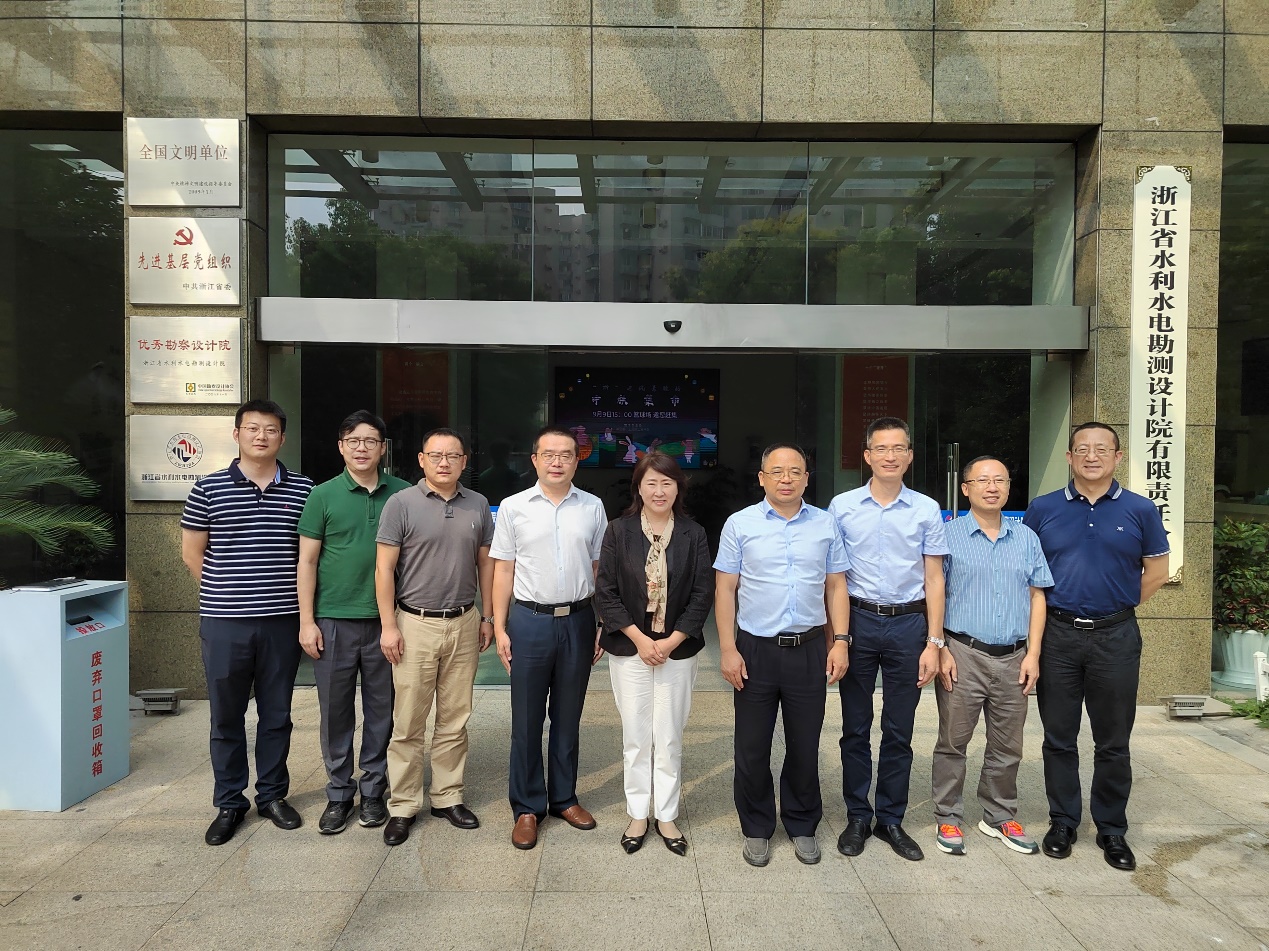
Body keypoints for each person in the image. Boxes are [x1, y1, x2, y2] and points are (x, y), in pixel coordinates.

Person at [1023, 422, 1170, 871]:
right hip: (1058, 636)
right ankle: (1063, 822)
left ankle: (1111, 829)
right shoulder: (1043, 508)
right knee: (1058, 737)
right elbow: (1026, 572)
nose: (1092, 456)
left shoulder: (1141, 509)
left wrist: (1117, 604)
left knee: (1113, 740)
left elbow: (1157, 572)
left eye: (1102, 449)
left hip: (1115, 637)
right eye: (1082, 449)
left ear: (1117, 457)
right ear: (1069, 457)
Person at [180, 399, 314, 846]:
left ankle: (272, 795)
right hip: (226, 622)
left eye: (271, 429)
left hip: (282, 620)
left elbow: (309, 555)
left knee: (277, 714)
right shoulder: (208, 489)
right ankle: (229, 802)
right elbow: (192, 554)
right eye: (253, 428)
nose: (261, 436)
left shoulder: (304, 490)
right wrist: (230, 593)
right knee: (226, 715)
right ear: (237, 434)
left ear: (282, 438)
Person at [714, 443, 851, 867]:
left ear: (807, 478)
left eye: (795, 471)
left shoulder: (825, 524)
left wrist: (840, 641)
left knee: (805, 744)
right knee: (751, 747)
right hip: (755, 649)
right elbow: (725, 589)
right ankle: (756, 826)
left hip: (808, 649)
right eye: (777, 471)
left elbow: (836, 586)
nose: (786, 478)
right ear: (762, 478)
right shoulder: (740, 524)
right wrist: (728, 649)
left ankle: (802, 823)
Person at [830, 416, 948, 862]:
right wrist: (838, 637)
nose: (890, 456)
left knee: (899, 730)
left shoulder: (926, 509)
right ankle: (858, 816)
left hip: (908, 626)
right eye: (881, 448)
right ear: (867, 455)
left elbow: (934, 579)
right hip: (859, 621)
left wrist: (934, 642)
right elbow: (834, 578)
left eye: (899, 448)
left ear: (910, 456)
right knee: (855, 728)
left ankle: (891, 819)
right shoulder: (842, 507)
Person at [374, 428, 495, 846]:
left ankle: (447, 796)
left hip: (464, 621)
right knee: (408, 720)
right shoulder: (401, 503)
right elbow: (384, 569)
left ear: (465, 461)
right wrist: (389, 626)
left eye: (453, 456)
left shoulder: (477, 504)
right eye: (436, 455)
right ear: (422, 459)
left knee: (454, 718)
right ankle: (403, 805)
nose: (445, 463)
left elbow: (485, 564)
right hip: (414, 623)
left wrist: (487, 616)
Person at [490, 426, 608, 850]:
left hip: (578, 619)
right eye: (549, 454)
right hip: (530, 620)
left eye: (566, 454)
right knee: (526, 719)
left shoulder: (592, 507)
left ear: (577, 461)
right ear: (535, 460)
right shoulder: (513, 507)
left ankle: (564, 798)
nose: (557, 461)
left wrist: (600, 622)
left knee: (568, 715)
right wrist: (499, 626)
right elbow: (503, 569)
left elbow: (599, 570)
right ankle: (527, 806)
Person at [931, 456, 1052, 857]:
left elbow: (1038, 596)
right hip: (963, 652)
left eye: (1000, 479)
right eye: (982, 480)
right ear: (965, 488)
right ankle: (948, 816)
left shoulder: (1027, 538)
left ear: (1008, 488)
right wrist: (940, 647)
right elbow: (934, 594)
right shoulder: (948, 536)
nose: (992, 487)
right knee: (953, 741)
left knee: (1008, 744)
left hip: (1015, 656)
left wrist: (1034, 654)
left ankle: (999, 815)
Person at [297, 410, 410, 835]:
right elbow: (307, 561)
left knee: (382, 710)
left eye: (370, 441)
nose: (362, 448)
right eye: (353, 441)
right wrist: (307, 621)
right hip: (333, 621)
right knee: (335, 711)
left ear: (383, 448)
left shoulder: (403, 494)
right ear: (341, 447)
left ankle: (374, 790)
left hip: (387, 621)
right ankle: (339, 793)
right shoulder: (322, 495)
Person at [595, 452, 714, 856]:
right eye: (651, 483)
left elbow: (702, 594)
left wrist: (670, 641)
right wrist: (641, 640)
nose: (659, 490)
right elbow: (606, 592)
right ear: (639, 488)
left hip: (676, 651)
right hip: (630, 649)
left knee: (669, 735)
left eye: (667, 483)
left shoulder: (693, 534)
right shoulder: (619, 531)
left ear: (678, 487)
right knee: (635, 736)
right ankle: (637, 814)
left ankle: (666, 814)